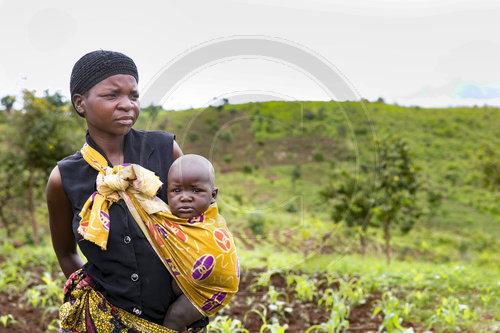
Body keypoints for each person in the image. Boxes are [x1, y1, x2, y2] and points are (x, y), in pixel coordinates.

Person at [46, 50, 208, 332]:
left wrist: (191, 295)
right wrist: (97, 306)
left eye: (133, 95)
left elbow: (198, 224)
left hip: (174, 317)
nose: (127, 105)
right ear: (80, 103)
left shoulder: (166, 151)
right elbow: (65, 253)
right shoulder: (64, 177)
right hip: (107, 320)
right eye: (112, 95)